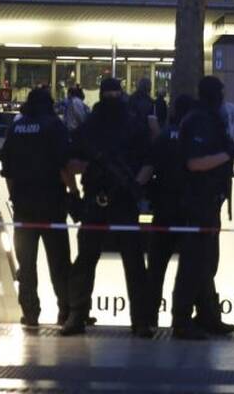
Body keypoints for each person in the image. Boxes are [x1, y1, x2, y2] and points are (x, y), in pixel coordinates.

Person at [61, 77, 153, 337]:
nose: (112, 99)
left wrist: (132, 186)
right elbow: (69, 164)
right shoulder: (116, 124)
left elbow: (149, 163)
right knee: (119, 262)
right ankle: (135, 320)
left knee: (113, 261)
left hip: (111, 199)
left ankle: (79, 316)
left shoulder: (95, 125)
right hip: (107, 199)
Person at [170, 76, 234, 340]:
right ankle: (182, 320)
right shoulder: (199, 120)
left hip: (208, 201)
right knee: (193, 263)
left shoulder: (209, 118)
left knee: (206, 262)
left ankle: (207, 315)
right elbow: (195, 163)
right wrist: (228, 154)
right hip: (197, 202)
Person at [137, 93, 214, 329]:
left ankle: (148, 319)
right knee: (191, 268)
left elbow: (147, 171)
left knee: (156, 268)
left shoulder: (161, 137)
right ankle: (184, 319)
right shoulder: (194, 137)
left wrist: (135, 191)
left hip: (163, 209)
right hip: (189, 211)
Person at [0, 87, 72, 327]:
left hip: (23, 206)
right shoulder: (55, 126)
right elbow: (64, 165)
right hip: (52, 204)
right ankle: (65, 311)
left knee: (26, 264)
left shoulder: (16, 127)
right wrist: (73, 193)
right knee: (59, 262)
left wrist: (14, 196)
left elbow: (6, 168)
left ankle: (30, 313)